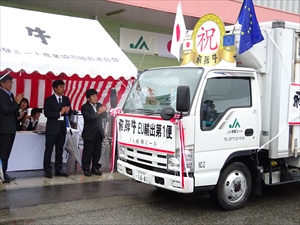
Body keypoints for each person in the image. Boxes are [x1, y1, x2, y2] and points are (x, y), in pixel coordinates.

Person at [43, 80, 71, 178]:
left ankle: (59, 168)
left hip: (62, 128)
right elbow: (47, 113)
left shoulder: (66, 99)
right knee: (49, 149)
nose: (63, 89)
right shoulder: (49, 99)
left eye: (63, 87)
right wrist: (60, 113)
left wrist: (67, 111)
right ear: (55, 89)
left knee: (60, 150)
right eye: (61, 87)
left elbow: (69, 112)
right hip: (52, 128)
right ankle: (47, 170)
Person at [0, 74, 23, 183]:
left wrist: (16, 103)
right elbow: (6, 110)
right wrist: (17, 102)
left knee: (7, 152)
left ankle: (4, 172)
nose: (10, 85)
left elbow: (13, 110)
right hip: (4, 128)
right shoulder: (1, 94)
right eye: (8, 82)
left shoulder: (10, 94)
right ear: (2, 83)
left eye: (11, 82)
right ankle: (1, 174)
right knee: (3, 152)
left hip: (11, 127)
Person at [81, 89, 107, 176]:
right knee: (88, 151)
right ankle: (86, 168)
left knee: (97, 151)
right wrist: (98, 112)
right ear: (88, 98)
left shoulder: (99, 105)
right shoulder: (85, 107)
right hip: (89, 132)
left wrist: (104, 111)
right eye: (93, 96)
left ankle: (95, 167)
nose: (96, 98)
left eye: (96, 96)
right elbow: (88, 118)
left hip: (98, 131)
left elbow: (104, 116)